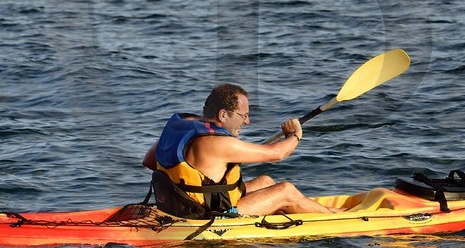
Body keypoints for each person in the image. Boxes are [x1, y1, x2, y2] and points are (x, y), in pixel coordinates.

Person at [142, 83, 339, 219]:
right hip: (207, 215)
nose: (247, 121)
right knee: (286, 190)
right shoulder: (220, 144)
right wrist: (294, 135)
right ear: (222, 115)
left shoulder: (185, 127)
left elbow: (150, 160)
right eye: (243, 115)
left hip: (180, 205)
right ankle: (335, 221)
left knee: (266, 182)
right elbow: (276, 153)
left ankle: (330, 211)